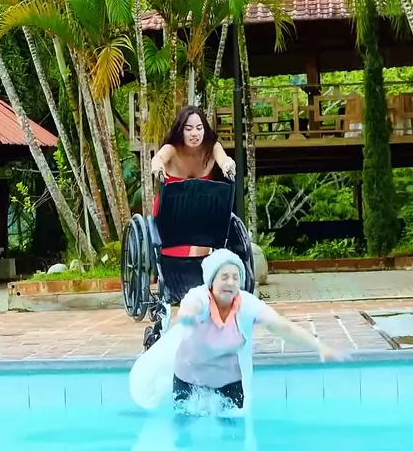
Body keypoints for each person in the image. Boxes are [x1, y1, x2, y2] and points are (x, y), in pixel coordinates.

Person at [129, 248, 349, 414]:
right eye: (224, 277)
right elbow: (189, 308)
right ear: (211, 281)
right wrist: (187, 318)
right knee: (184, 437)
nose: (231, 282)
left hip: (229, 385)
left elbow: (282, 326)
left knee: (234, 437)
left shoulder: (247, 305)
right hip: (188, 380)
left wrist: (319, 346)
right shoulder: (200, 297)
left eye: (235, 277)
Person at [150, 106, 235, 257]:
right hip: (172, 215)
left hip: (201, 217)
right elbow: (158, 158)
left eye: (199, 128)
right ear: (180, 130)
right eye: (188, 129)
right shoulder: (172, 148)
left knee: (205, 234)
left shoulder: (212, 147)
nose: (194, 133)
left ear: (204, 130)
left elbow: (223, 159)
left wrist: (227, 164)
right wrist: (157, 166)